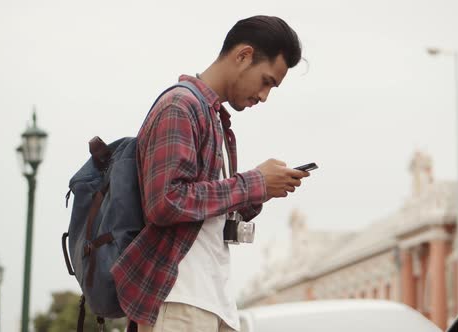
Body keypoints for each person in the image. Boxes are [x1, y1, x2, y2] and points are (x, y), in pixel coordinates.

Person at [111, 15, 309, 332]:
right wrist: (253, 182)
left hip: (208, 301)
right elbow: (166, 201)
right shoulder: (180, 105)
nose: (264, 96)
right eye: (267, 81)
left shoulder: (215, 119)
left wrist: (261, 191)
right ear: (243, 55)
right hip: (179, 301)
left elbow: (203, 211)